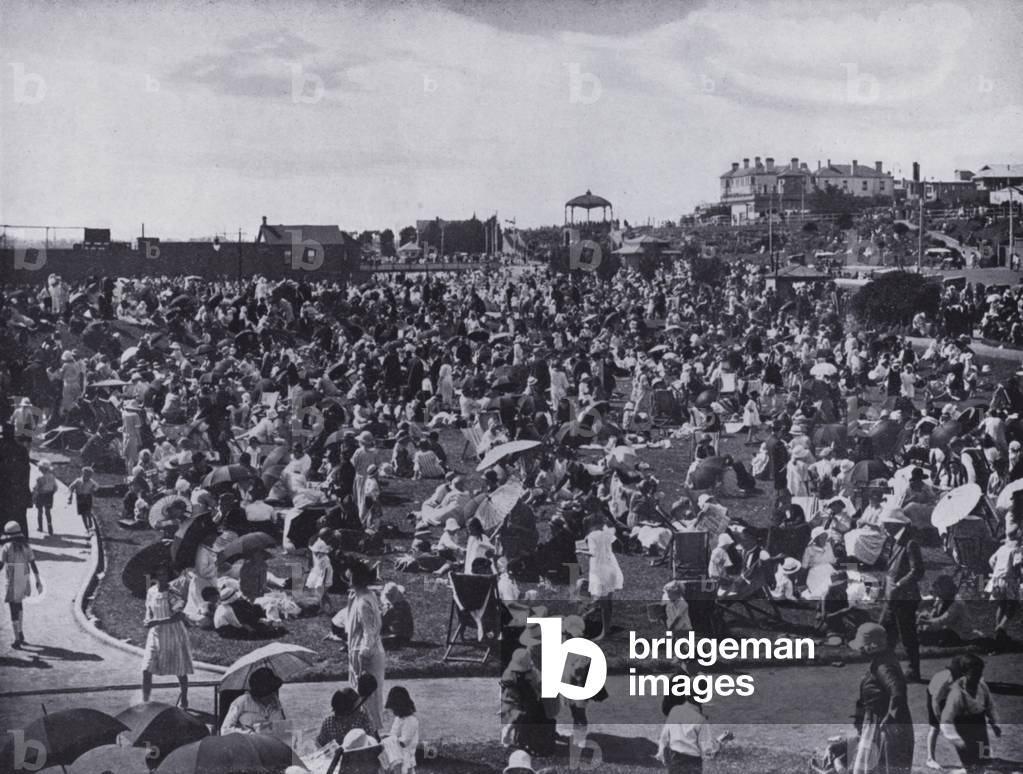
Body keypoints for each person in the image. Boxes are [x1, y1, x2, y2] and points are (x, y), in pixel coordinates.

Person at [848, 622, 914, 774]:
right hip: (878, 719)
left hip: (883, 722)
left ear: (872, 645)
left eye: (863, 646)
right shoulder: (882, 660)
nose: (861, 650)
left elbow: (897, 691)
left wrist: (891, 716)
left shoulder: (884, 666)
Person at [877, 510, 923, 681]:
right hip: (892, 595)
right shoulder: (895, 541)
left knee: (907, 634)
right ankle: (886, 667)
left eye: (888, 523)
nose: (885, 527)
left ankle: (913, 670)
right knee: (884, 630)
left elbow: (917, 571)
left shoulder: (910, 543)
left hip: (905, 597)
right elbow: (891, 568)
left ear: (898, 524)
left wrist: (899, 585)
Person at [141, 564, 194, 708]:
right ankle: (145, 701)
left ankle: (184, 699)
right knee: (146, 669)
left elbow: (179, 616)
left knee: (180, 669)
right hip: (156, 634)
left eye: (164, 575)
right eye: (159, 575)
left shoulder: (173, 593)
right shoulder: (151, 591)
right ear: (155, 577)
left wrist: (157, 621)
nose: (161, 578)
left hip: (173, 634)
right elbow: (149, 610)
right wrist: (148, 619)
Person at [940, 654, 1002, 769]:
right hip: (964, 733)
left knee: (984, 760)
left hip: (980, 729)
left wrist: (995, 723)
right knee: (971, 766)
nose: (978, 677)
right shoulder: (956, 694)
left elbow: (990, 706)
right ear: (964, 673)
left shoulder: (982, 686)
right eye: (974, 674)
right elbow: (945, 721)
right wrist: (956, 740)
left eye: (980, 674)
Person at [345, 560, 386, 731]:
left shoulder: (364, 602)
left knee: (368, 698)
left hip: (366, 655)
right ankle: (364, 731)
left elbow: (370, 632)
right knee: (361, 696)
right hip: (359, 651)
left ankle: (372, 732)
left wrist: (363, 658)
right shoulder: (362, 596)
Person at [656, 693, 729, 773]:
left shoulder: (675, 711)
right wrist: (721, 740)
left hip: (675, 761)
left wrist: (662, 756)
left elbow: (664, 738)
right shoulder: (701, 720)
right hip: (692, 764)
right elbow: (707, 750)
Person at [579, 513, 623, 640]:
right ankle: (607, 627)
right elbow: (613, 532)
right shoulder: (607, 532)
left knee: (604, 603)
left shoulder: (592, 536)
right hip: (611, 567)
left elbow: (593, 553)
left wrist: (581, 551)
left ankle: (605, 632)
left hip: (600, 569)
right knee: (608, 600)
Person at [1, 521, 43, 648]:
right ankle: (20, 631)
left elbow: (1, 565)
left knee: (12, 607)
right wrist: (38, 581)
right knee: (19, 604)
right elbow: (33, 564)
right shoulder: (26, 546)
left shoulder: (6, 547)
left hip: (12, 577)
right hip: (24, 576)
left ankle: (17, 638)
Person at [924, 655, 968, 770]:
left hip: (947, 696)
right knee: (935, 727)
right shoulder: (944, 678)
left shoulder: (960, 677)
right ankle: (930, 759)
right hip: (934, 696)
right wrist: (939, 720)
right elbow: (935, 702)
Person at [221, 666, 286, 734]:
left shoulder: (275, 701)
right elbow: (225, 730)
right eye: (267, 692)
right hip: (247, 741)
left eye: (272, 690)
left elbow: (282, 726)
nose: (271, 695)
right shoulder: (241, 702)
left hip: (271, 741)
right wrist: (247, 733)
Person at [987, 529, 1022, 646]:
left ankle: (999, 632)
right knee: (1013, 605)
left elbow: (991, 560)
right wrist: (1019, 576)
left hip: (997, 579)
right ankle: (1001, 628)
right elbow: (1017, 565)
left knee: (1001, 605)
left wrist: (996, 570)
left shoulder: (1002, 548)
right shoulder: (1017, 550)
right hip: (1009, 580)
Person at [916, 574, 970, 646]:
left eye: (939, 588)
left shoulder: (957, 602)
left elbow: (943, 620)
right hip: (946, 627)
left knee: (941, 633)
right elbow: (934, 614)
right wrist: (924, 616)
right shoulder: (941, 599)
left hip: (958, 632)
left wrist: (925, 622)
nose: (937, 590)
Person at [384, 686, 420, 774]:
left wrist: (389, 740)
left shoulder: (411, 720)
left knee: (403, 769)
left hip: (405, 754)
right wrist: (386, 737)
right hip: (397, 752)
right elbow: (393, 733)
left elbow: (404, 742)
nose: (393, 711)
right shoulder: (399, 719)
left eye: (395, 708)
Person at [380, 581, 414, 647]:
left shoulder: (391, 609)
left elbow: (382, 622)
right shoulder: (404, 603)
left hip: (399, 636)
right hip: (408, 633)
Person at [67, 466, 99, 534]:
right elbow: (71, 487)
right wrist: (70, 496)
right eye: (85, 475)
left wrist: (93, 490)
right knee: (82, 513)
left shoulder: (91, 482)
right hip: (80, 497)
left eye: (88, 476)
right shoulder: (78, 481)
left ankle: (90, 525)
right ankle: (87, 528)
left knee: (88, 512)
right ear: (82, 474)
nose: (86, 477)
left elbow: (97, 486)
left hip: (88, 497)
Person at [32, 459, 58, 536]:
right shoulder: (52, 477)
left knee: (40, 511)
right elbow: (55, 487)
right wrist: (52, 492)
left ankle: (40, 527)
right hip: (49, 495)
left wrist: (33, 496)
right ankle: (50, 527)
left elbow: (35, 488)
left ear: (41, 469)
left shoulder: (39, 478)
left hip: (41, 495)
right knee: (48, 511)